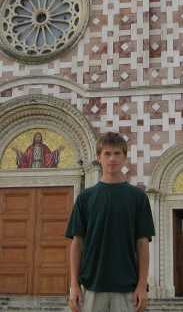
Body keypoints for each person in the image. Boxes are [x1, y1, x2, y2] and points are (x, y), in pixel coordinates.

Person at [65, 132, 155, 312]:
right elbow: (77, 243)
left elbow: (142, 244)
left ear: (124, 158)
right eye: (107, 154)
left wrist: (142, 285)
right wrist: (74, 285)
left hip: (127, 288)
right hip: (92, 287)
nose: (112, 158)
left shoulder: (138, 197)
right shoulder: (85, 198)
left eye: (117, 153)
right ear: (98, 157)